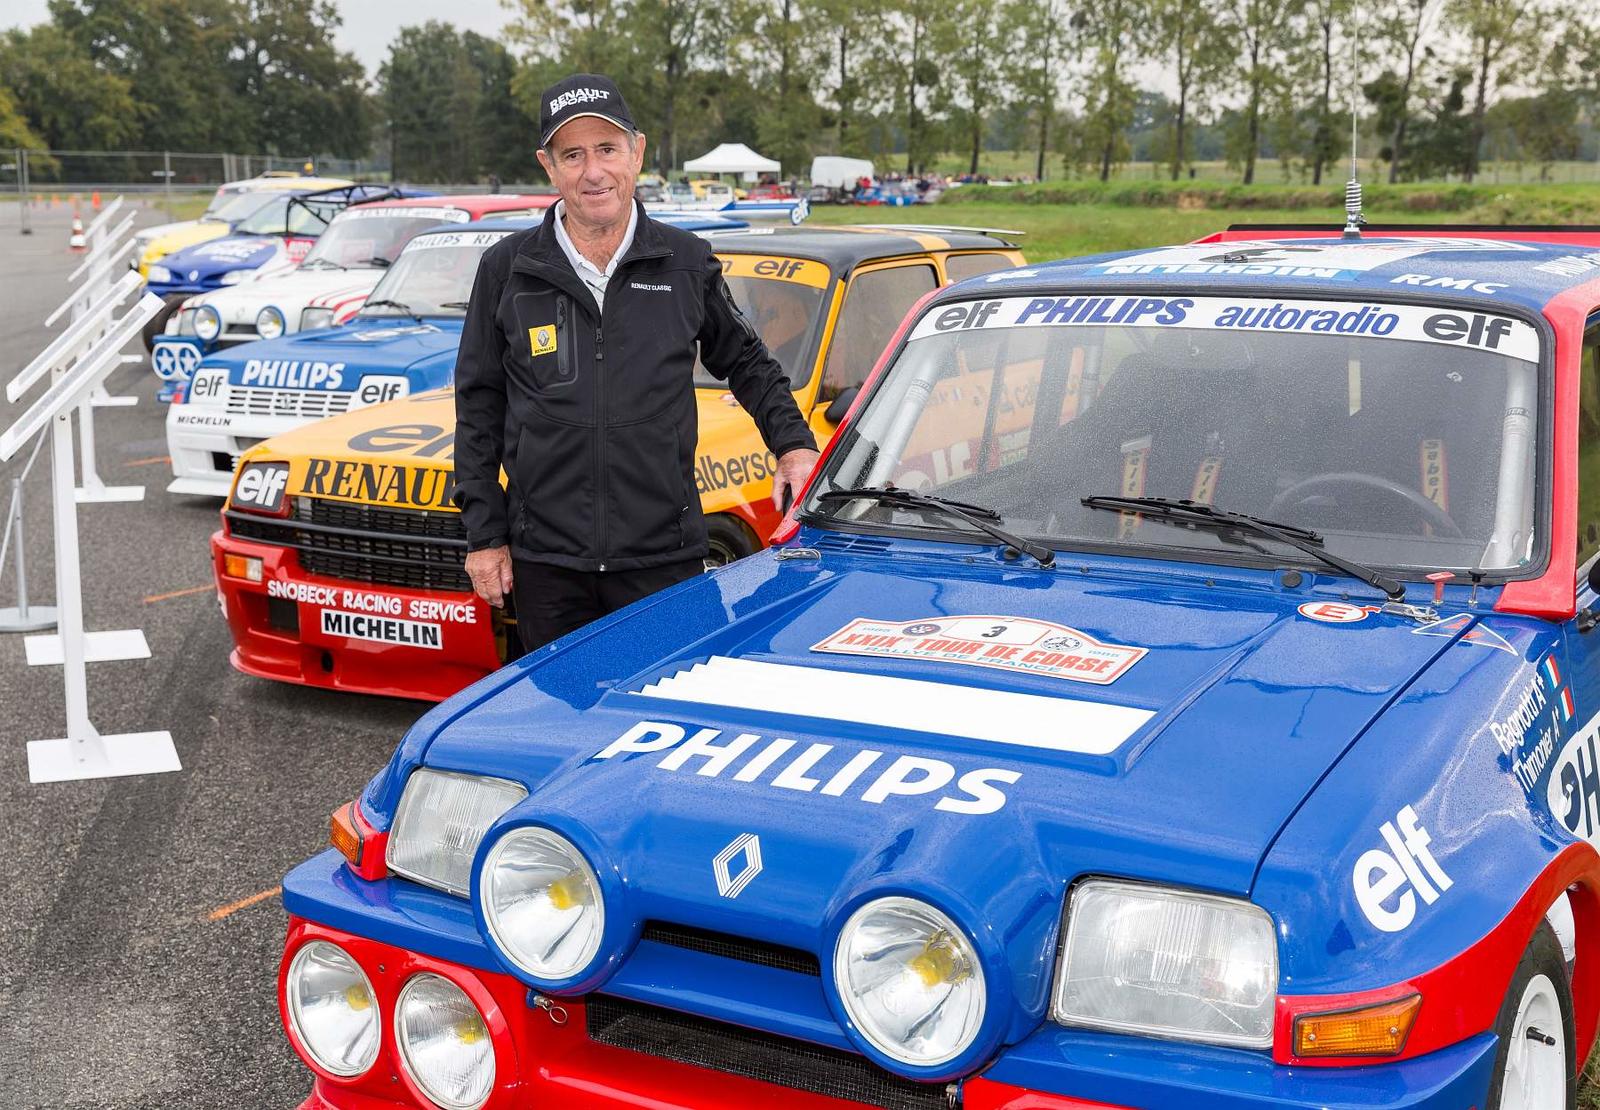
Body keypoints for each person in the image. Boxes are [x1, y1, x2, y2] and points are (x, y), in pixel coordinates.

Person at [453, 73, 820, 651]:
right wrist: (484, 536)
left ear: (637, 152)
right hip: (546, 567)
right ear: (548, 166)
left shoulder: (686, 262)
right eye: (572, 154)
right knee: (560, 708)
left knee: (666, 701)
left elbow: (748, 362)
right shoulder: (507, 269)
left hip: (663, 558)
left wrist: (794, 446)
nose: (593, 171)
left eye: (607, 149)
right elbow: (478, 406)